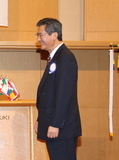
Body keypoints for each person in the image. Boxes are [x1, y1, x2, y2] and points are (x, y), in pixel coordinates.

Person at [34, 18, 82, 160]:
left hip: (62, 129)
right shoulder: (55, 58)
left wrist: (55, 124)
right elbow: (48, 95)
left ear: (54, 35)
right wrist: (41, 120)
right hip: (53, 125)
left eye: (41, 35)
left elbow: (64, 95)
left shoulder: (65, 58)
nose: (38, 39)